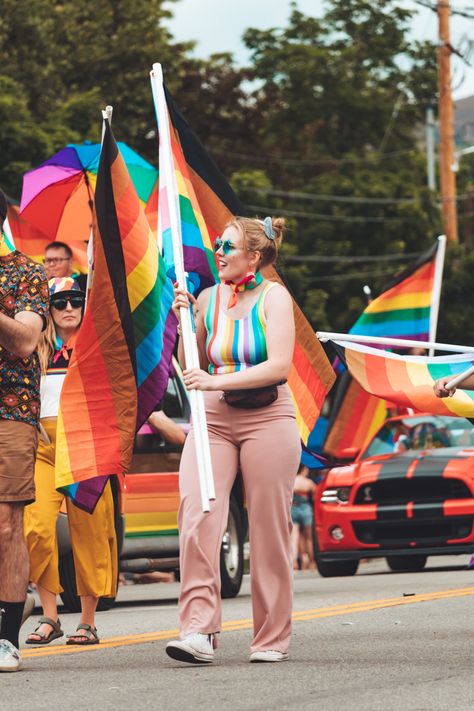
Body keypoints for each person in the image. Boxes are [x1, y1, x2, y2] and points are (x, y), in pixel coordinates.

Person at [165, 215, 301, 665]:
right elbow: (194, 361)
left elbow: (279, 366)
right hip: (213, 419)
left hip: (268, 416)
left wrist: (216, 381)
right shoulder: (209, 296)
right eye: (218, 244)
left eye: (228, 246)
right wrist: (185, 317)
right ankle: (199, 630)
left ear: (255, 256)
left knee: (268, 527)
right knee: (198, 515)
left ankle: (271, 637)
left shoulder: (275, 298)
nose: (218, 251)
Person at [23, 277, 117, 646]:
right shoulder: (36, 351)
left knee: (90, 531)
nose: (67, 309)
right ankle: (50, 616)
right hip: (43, 448)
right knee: (35, 528)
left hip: (86, 447)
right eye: (58, 302)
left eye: (75, 301)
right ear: (47, 308)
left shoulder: (98, 347)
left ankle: (88, 620)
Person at [0, 188, 49, 672]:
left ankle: (6, 635)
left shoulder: (26, 273)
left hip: (9, 411)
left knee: (6, 525)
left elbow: (27, 339)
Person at [291, 465, 316, 571]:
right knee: (309, 537)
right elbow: (316, 494)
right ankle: (311, 561)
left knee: (295, 536)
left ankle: (295, 561)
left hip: (294, 508)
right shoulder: (308, 482)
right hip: (306, 509)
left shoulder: (292, 481)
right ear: (304, 470)